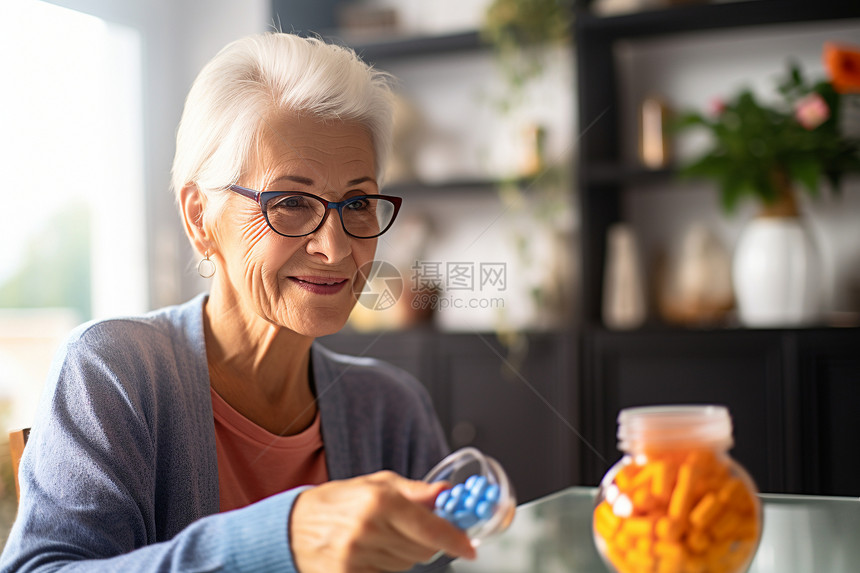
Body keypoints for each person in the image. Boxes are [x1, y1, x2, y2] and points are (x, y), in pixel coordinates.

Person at [0, 32, 476, 573]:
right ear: (200, 218)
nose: (336, 246)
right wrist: (281, 540)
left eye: (359, 202)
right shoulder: (114, 370)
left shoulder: (393, 408)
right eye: (292, 202)